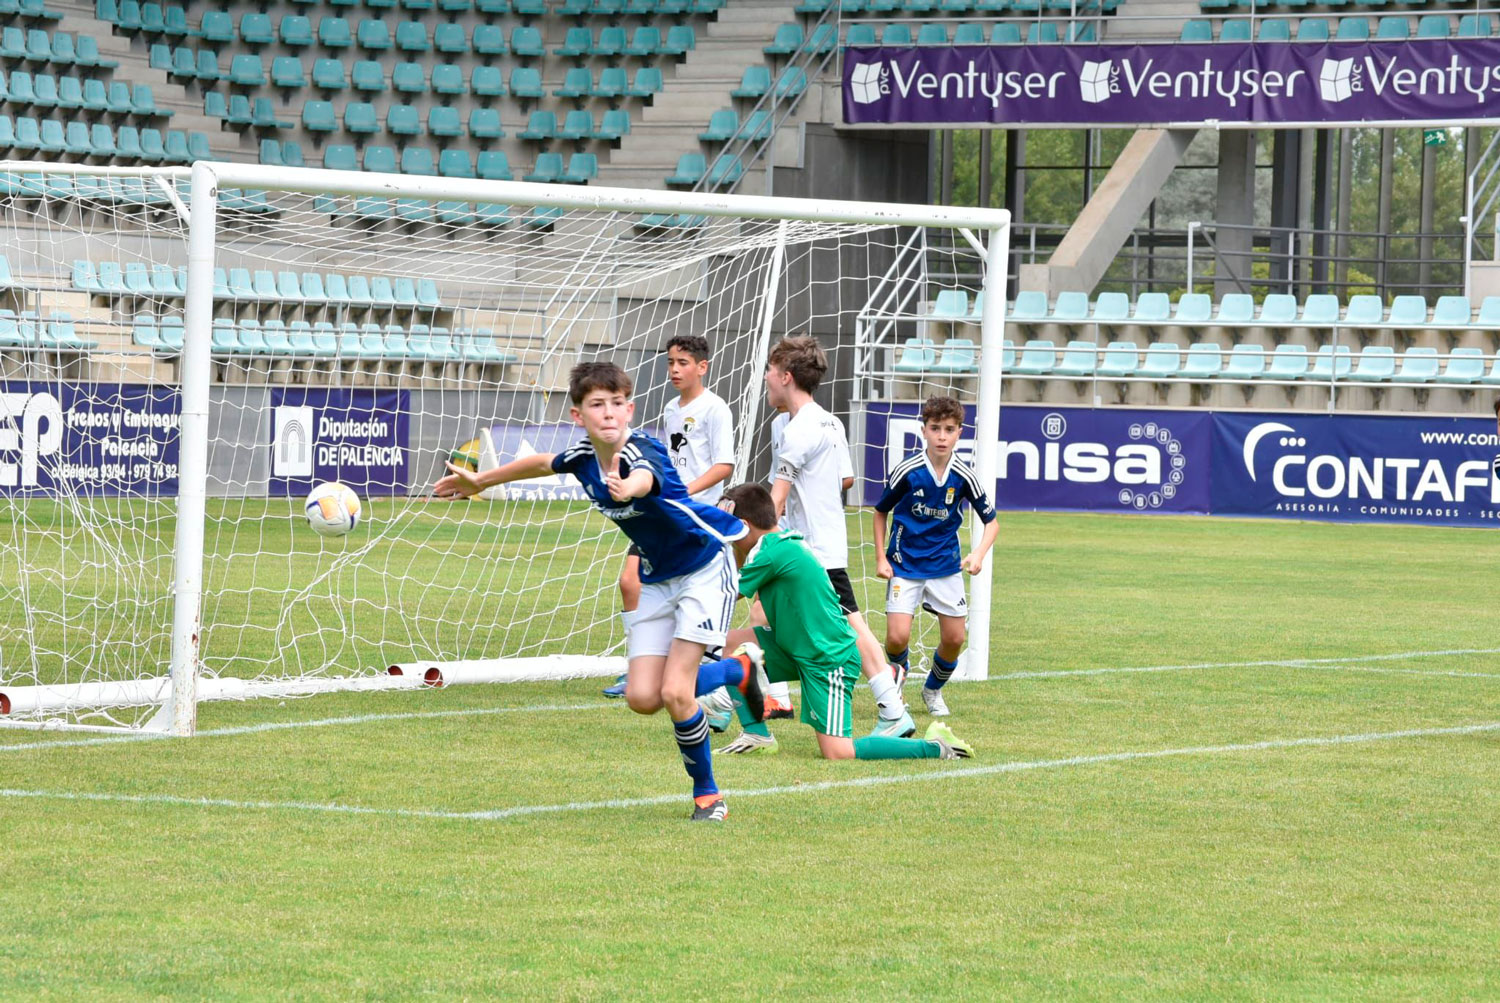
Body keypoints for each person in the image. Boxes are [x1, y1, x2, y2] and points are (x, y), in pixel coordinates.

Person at [435, 361, 755, 822]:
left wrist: (627, 489)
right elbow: (542, 462)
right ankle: (739, 670)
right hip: (657, 576)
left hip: (704, 566)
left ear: (630, 410)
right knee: (642, 698)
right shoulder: (583, 456)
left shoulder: (642, 450)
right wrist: (480, 480)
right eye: (597, 404)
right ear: (577, 415)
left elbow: (645, 476)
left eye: (617, 404)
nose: (608, 413)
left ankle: (708, 795)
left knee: (675, 692)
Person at [700, 483, 973, 761]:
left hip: (827, 658)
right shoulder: (778, 542)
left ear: (744, 525)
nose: (727, 537)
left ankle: (936, 746)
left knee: (838, 752)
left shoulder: (770, 552)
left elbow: (724, 594)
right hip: (798, 646)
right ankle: (756, 734)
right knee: (733, 645)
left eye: (729, 529)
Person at [755, 335, 914, 740]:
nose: (766, 378)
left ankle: (892, 707)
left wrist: (747, 536)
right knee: (763, 613)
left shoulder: (799, 430)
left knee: (849, 629)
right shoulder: (826, 421)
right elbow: (844, 479)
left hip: (813, 552)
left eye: (770, 371)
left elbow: (776, 500)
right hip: (815, 544)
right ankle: (748, 699)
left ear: (786, 376)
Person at [605, 335, 735, 700]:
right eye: (670, 363)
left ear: (702, 367)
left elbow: (724, 465)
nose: (674, 370)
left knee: (689, 596)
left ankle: (711, 673)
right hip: (663, 512)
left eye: (682, 363)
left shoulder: (716, 409)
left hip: (695, 518)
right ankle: (638, 666)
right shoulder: (671, 408)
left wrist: (684, 492)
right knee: (630, 582)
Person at [873, 395, 999, 717]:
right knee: (897, 637)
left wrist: (978, 554)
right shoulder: (908, 471)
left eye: (949, 429)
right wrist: (881, 558)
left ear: (959, 433)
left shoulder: (964, 475)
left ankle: (932, 690)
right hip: (904, 564)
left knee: (955, 639)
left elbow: (992, 523)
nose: (942, 436)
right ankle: (898, 684)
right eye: (935, 428)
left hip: (945, 566)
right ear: (924, 431)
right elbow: (880, 512)